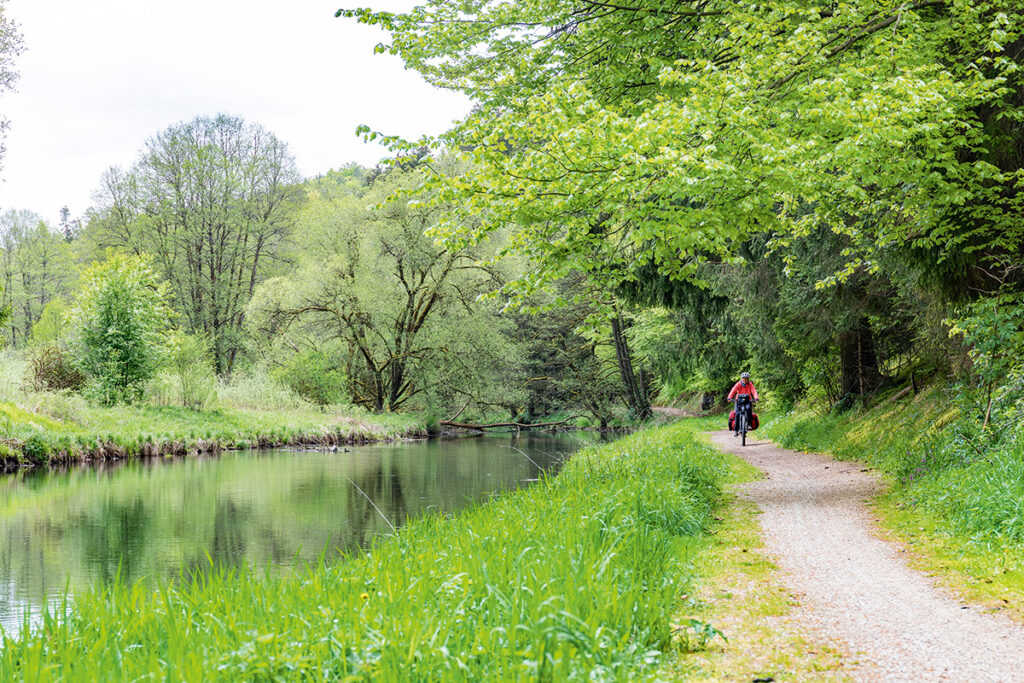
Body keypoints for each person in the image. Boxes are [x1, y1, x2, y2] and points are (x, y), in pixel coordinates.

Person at [727, 372, 758, 436]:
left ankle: (749, 425)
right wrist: (730, 397)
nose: (745, 380)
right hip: (738, 401)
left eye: (746, 378)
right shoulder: (738, 384)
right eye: (743, 378)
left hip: (747, 401)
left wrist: (756, 398)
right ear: (741, 378)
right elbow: (733, 390)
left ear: (748, 379)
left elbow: (753, 391)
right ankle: (736, 430)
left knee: (749, 410)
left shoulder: (750, 384)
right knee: (737, 413)